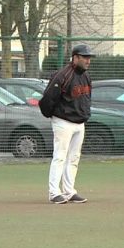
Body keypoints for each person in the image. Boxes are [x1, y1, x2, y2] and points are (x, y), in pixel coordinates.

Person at [47, 44, 95, 204]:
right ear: (75, 58)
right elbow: (48, 98)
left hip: (79, 123)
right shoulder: (63, 75)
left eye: (89, 57)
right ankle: (54, 192)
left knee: (73, 158)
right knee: (60, 157)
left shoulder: (86, 76)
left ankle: (69, 191)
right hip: (63, 121)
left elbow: (86, 98)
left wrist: (85, 115)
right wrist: (53, 115)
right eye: (85, 57)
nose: (88, 60)